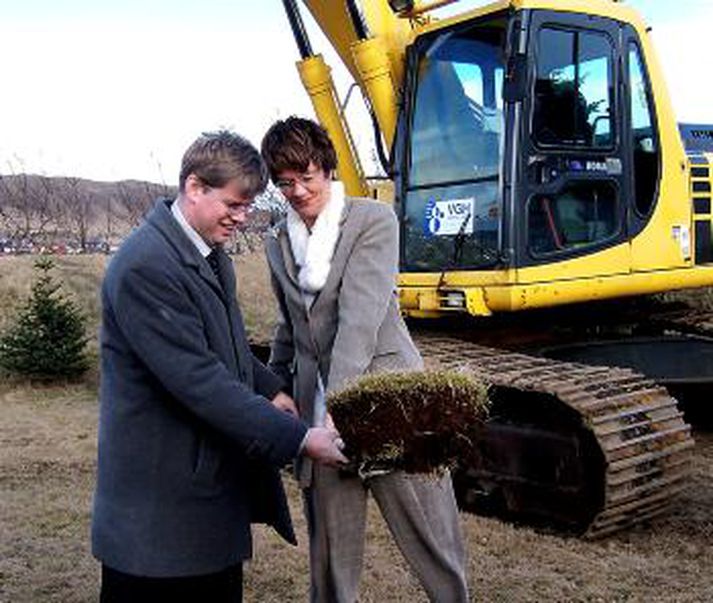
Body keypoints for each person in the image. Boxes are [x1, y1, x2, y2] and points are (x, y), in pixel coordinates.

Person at [91, 130, 347, 603]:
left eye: (248, 207)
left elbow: (223, 348)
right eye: (233, 205)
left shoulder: (209, 255)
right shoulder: (147, 267)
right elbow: (199, 380)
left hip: (203, 501)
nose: (241, 218)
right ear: (194, 187)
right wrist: (299, 439)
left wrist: (270, 387)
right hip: (160, 514)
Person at [261, 117, 469, 602]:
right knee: (330, 552)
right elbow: (289, 326)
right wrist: (276, 385)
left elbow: (361, 317)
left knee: (431, 535)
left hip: (385, 399)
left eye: (306, 177)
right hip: (319, 412)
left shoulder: (373, 222)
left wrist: (341, 403)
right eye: (285, 182)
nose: (297, 191)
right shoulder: (276, 243)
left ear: (328, 169)